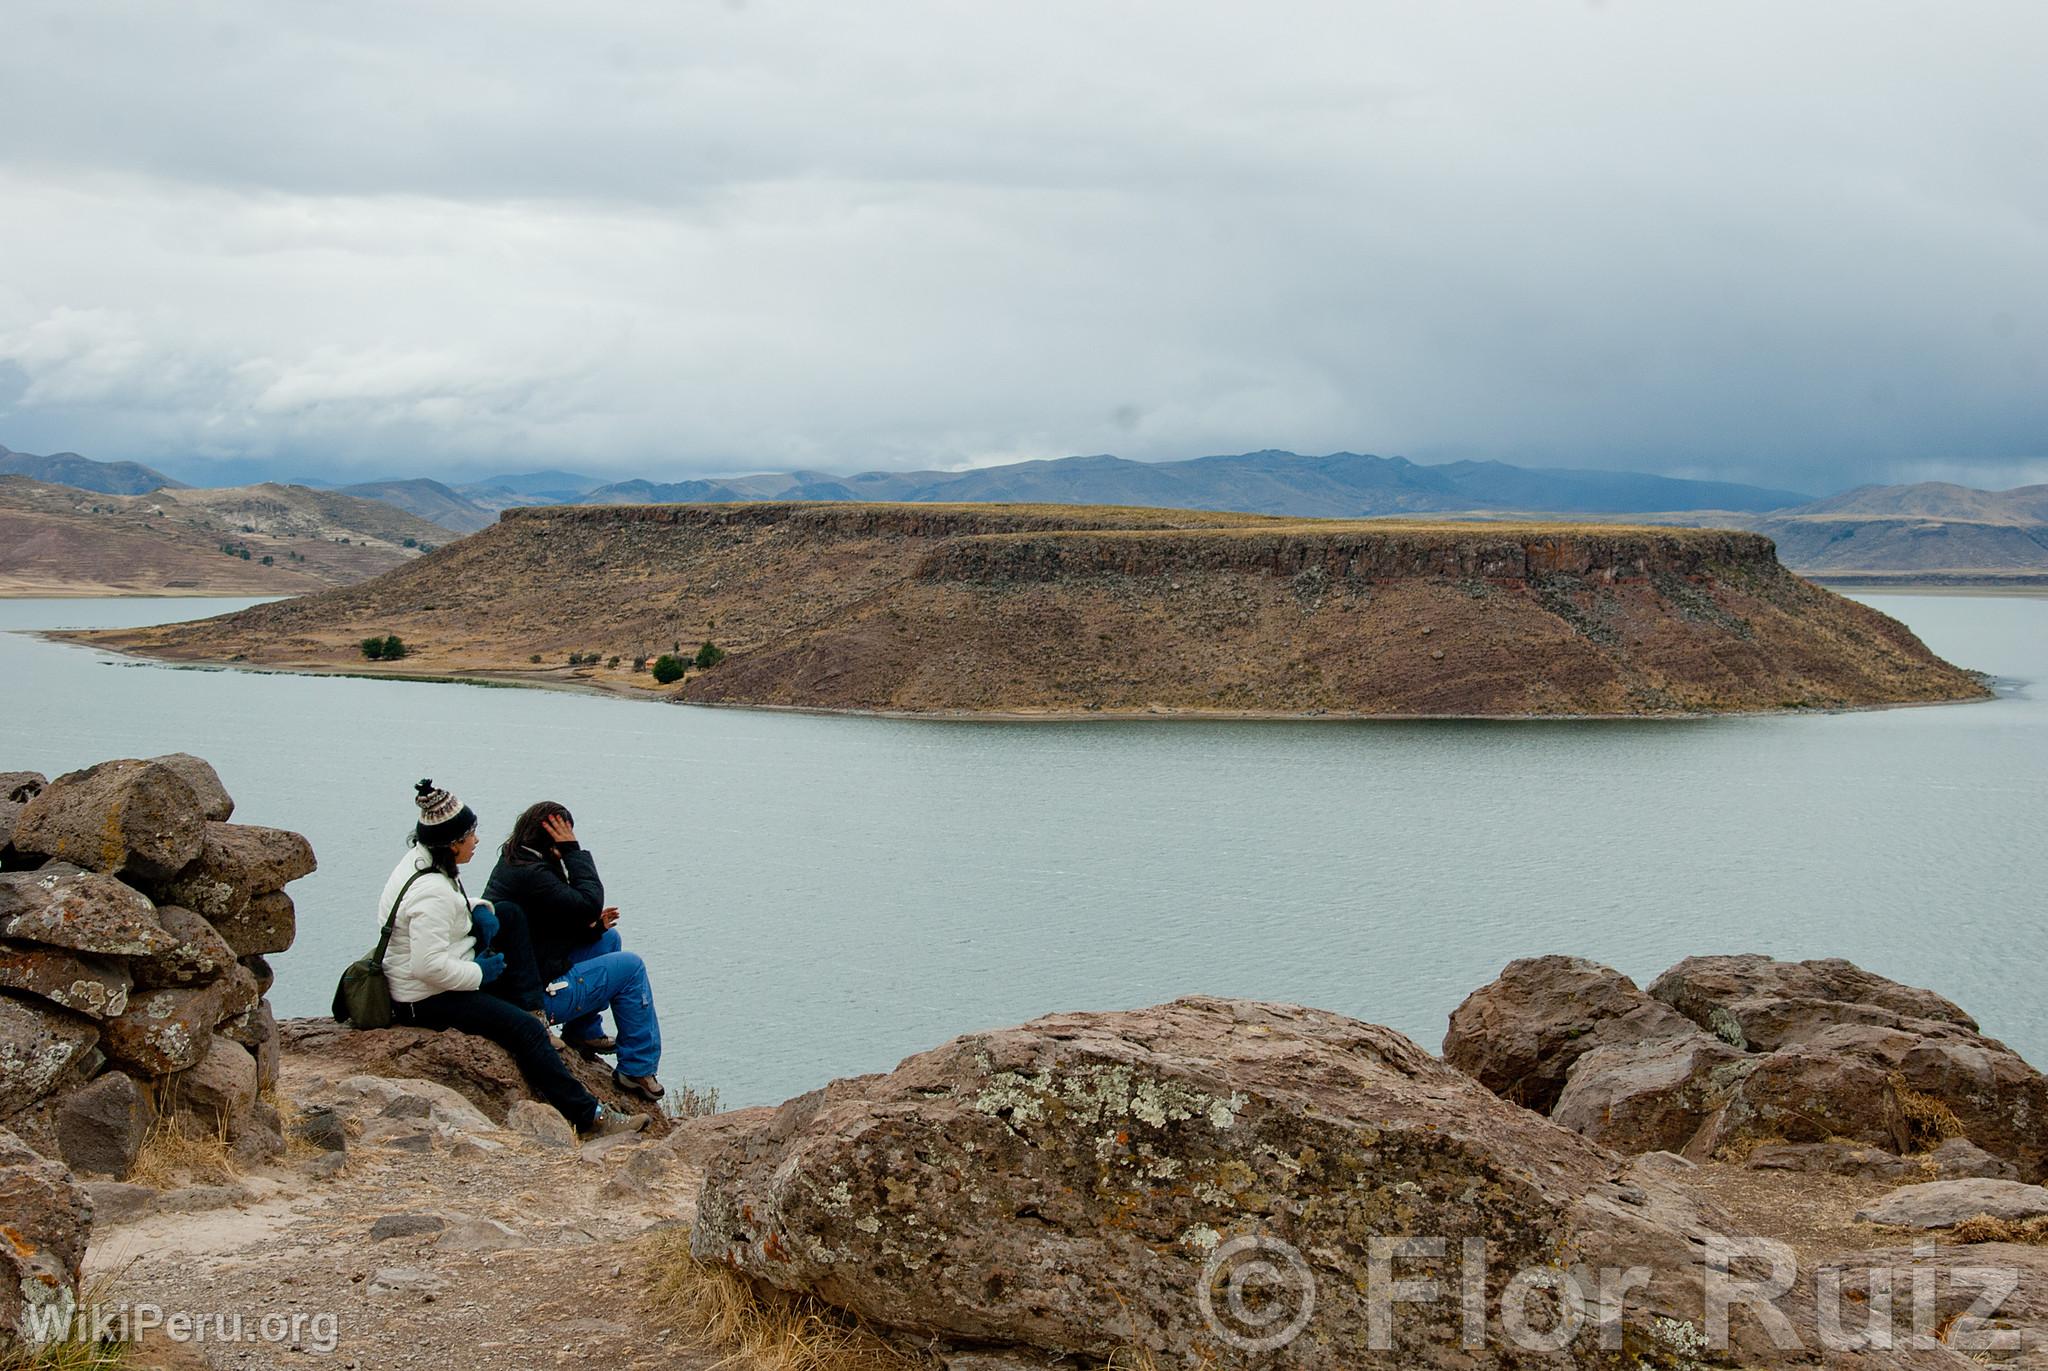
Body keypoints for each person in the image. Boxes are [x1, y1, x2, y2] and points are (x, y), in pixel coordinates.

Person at [380, 779, 646, 1139]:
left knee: (507, 913)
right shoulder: (433, 891)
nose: (476, 841)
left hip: (426, 982)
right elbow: (427, 968)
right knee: (527, 1032)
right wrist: (478, 973)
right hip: (423, 998)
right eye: (470, 834)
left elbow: (442, 917)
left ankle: (567, 1035)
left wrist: (480, 909)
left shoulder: (422, 864)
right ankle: (591, 1118)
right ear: (453, 842)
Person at [483, 801, 666, 1102]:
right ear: (552, 840)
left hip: (529, 972)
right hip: (532, 997)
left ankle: (583, 1031)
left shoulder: (518, 861)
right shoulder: (532, 874)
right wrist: (573, 851)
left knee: (608, 940)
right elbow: (588, 904)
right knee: (631, 967)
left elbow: (549, 929)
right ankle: (637, 1068)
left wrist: (593, 929)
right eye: (564, 835)